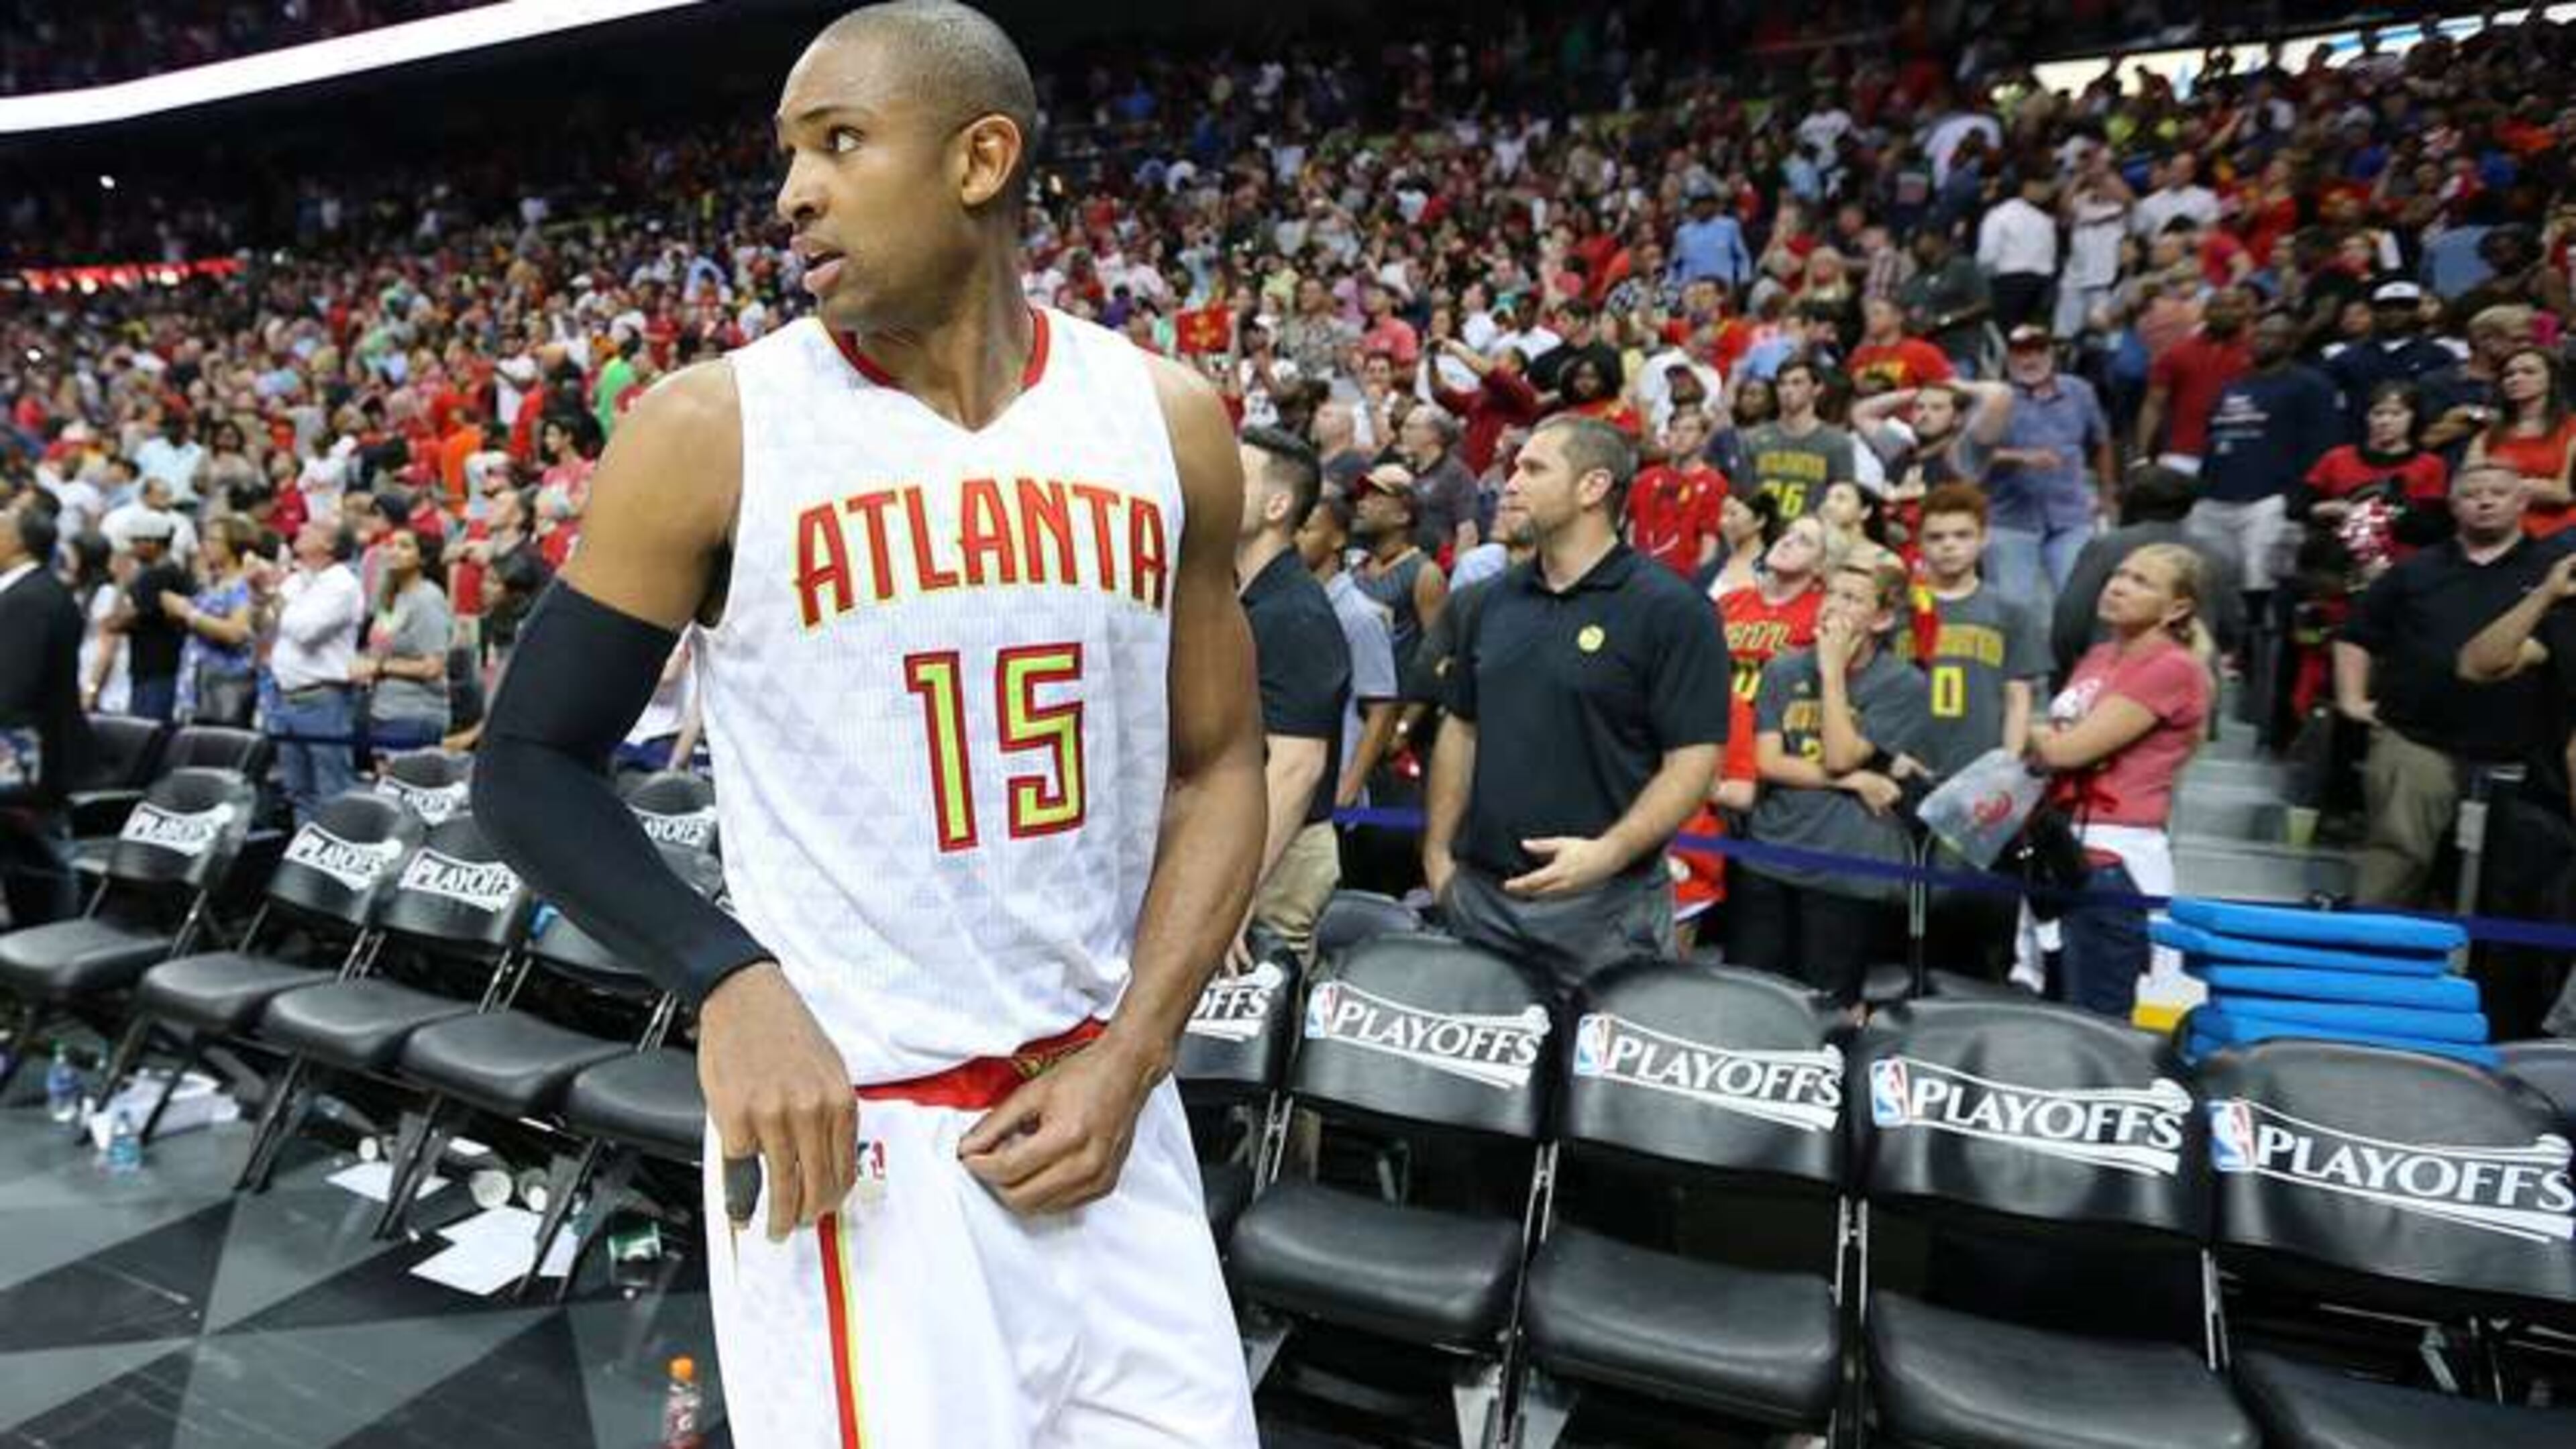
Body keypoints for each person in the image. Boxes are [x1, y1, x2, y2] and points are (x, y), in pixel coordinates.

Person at [469, 7, 1265, 1444]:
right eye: (788, 154)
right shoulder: (710, 428)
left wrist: (1139, 1052)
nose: (792, 193)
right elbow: (526, 768)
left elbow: (1224, 769)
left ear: (980, 159)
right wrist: (726, 979)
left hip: (1111, 1117)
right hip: (863, 1145)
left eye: (838, 143)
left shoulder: (1167, 420)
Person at [1424, 415, 1730, 995]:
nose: (1511, 483)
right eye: (1515, 467)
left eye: (1534, 468)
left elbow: (1694, 763)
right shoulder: (1487, 601)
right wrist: (1439, 860)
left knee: (1599, 1084)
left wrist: (1609, 852)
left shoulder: (1672, 610)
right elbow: (1460, 728)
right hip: (1481, 898)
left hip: (1604, 912)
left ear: (1593, 488)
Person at [2337, 463, 2563, 908]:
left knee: (2511, 877)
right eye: (2471, 494)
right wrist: (2351, 699)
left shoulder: (2555, 574)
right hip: (2416, 738)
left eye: (2497, 492)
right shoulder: (2414, 570)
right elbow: (2357, 635)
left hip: (2523, 754)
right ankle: (2367, 957)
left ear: (2522, 502)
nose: (2484, 501)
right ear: (2453, 506)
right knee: (2396, 857)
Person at [1731, 554, 1933, 1009]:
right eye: (1830, 594)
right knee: (1750, 998)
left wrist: (1831, 674)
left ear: (1881, 619)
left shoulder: (1903, 685)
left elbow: (1841, 755)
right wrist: (1854, 781)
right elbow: (1768, 762)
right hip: (1769, 854)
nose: (1832, 607)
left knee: (1826, 1009)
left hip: (1846, 868)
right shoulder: (1783, 669)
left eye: (1852, 598)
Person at [2025, 543, 2214, 1019]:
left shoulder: (2172, 667)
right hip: (2061, 847)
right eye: (2119, 574)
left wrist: (2037, 734)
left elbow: (2066, 750)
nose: (2119, 586)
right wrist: (2046, 742)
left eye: (2141, 581)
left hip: (2114, 864)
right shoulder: (2099, 654)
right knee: (2052, 1009)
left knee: (2096, 1022)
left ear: (2178, 608)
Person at [1913, 484, 2049, 976]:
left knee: (1980, 910)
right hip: (1915, 772)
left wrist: (2005, 768)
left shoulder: (2009, 611)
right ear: (1920, 543)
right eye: (1937, 536)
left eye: (1962, 535)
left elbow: (2019, 697)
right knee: (1914, 906)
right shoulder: (1907, 609)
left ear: (1983, 539)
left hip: (1982, 776)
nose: (1949, 546)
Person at [1234, 427, 1350, 963]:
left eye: (1237, 476)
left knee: (1257, 1026)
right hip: (1237, 840)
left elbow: (1296, 766)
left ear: (1278, 505)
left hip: (1277, 848)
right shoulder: (1238, 595)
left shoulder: (1296, 613)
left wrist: (1234, 893)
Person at [2187, 309, 2339, 614]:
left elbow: (2325, 447)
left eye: (2272, 335)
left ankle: (2258, 655)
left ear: (2292, 344)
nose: (2260, 341)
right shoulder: (2233, 386)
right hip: (2216, 498)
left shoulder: (2311, 385)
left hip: (2269, 499)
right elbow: (2213, 439)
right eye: (2258, 334)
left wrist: (2300, 499)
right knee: (2209, 581)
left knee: (2260, 582)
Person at [2055, 464, 2247, 674]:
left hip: (2115, 678)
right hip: (2192, 682)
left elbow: (2070, 623)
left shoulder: (2106, 548)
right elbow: (2231, 631)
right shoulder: (2216, 556)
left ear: (2128, 503)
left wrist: (2068, 673)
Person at [0, 502, 90, 928]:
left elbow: (14, 686)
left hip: (28, 754)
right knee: (24, 858)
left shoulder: (31, 597)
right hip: (23, 749)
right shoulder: (29, 591)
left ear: (16, 541)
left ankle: (57, 950)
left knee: (45, 857)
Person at [1987, 324, 2114, 606]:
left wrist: (2106, 495)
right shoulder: (1993, 398)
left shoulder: (2080, 391)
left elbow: (2102, 442)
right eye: (2021, 353)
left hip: (2071, 515)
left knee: (2078, 603)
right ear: (2009, 359)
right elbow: (1971, 455)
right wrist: (2020, 457)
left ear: (2051, 354)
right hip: (2011, 518)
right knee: (2013, 608)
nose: (2029, 360)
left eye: (2037, 351)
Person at [1295, 495, 1399, 810]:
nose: (1296, 538)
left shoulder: (1359, 616)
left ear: (1337, 538)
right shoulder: (1294, 605)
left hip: (1332, 788)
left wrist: (1349, 787)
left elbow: (1382, 707)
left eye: (1307, 529)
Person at [263, 520, 368, 824]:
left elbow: (305, 631)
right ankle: (304, 862)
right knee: (298, 791)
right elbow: (266, 624)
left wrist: (273, 594)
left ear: (330, 545)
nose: (303, 528)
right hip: (283, 697)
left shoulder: (343, 584)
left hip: (323, 699)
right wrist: (267, 595)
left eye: (314, 528)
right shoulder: (296, 581)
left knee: (333, 792)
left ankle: (336, 866)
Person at [355, 524, 451, 754]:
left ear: (423, 558)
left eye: (405, 546)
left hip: (414, 713)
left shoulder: (427, 599)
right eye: (391, 545)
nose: (394, 551)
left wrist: (379, 667)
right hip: (383, 708)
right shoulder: (391, 596)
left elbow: (433, 667)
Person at [2463, 345, 2576, 539]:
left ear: (2551, 379)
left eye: (2529, 372)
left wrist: (2503, 488)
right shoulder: (2486, 438)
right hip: (2501, 532)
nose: (2516, 379)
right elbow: (2471, 492)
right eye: (2509, 375)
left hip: (2565, 530)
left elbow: (2564, 493)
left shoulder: (2572, 428)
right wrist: (2534, 486)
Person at [2135, 285, 2251, 471]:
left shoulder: (2257, 354)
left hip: (2238, 455)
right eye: (2218, 306)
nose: (2226, 312)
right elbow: (2153, 406)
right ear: (2206, 312)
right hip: (2181, 455)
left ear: (2245, 312)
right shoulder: (2177, 353)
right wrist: (2141, 458)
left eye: (2234, 306)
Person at [1349, 464, 1447, 678]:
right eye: (1363, 498)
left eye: (1376, 499)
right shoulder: (1354, 567)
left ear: (1402, 517)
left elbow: (1438, 655)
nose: (1362, 505)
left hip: (1397, 701)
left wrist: (1411, 712)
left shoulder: (1425, 573)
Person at [1717, 513, 1827, 702]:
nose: (1787, 542)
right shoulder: (1731, 601)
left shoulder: (1823, 612)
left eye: (1804, 541)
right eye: (1788, 534)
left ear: (1820, 566)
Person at [1738, 356, 1857, 523]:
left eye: (1797, 383)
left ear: (1817, 389)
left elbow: (1843, 500)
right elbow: (1743, 498)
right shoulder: (1754, 440)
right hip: (1764, 537)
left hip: (1811, 538)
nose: (1788, 390)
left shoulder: (1837, 443)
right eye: (1782, 384)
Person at [170, 515, 260, 727]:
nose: (204, 546)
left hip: (223, 690)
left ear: (234, 545)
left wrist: (188, 613)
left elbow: (236, 633)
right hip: (194, 688)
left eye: (213, 540)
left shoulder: (244, 586)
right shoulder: (212, 583)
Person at [103, 512, 192, 721]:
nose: (132, 549)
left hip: (156, 670)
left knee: (149, 737)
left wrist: (122, 583)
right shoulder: (175, 571)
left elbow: (116, 623)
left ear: (152, 543)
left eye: (136, 542)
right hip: (160, 667)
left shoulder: (156, 577)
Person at [1626, 409, 1729, 578]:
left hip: (1682, 579)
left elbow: (1709, 542)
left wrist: (1698, 582)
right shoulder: (1645, 479)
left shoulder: (1714, 483)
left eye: (1689, 430)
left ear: (1703, 439)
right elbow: (1631, 529)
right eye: (1674, 429)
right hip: (1639, 574)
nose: (1680, 436)